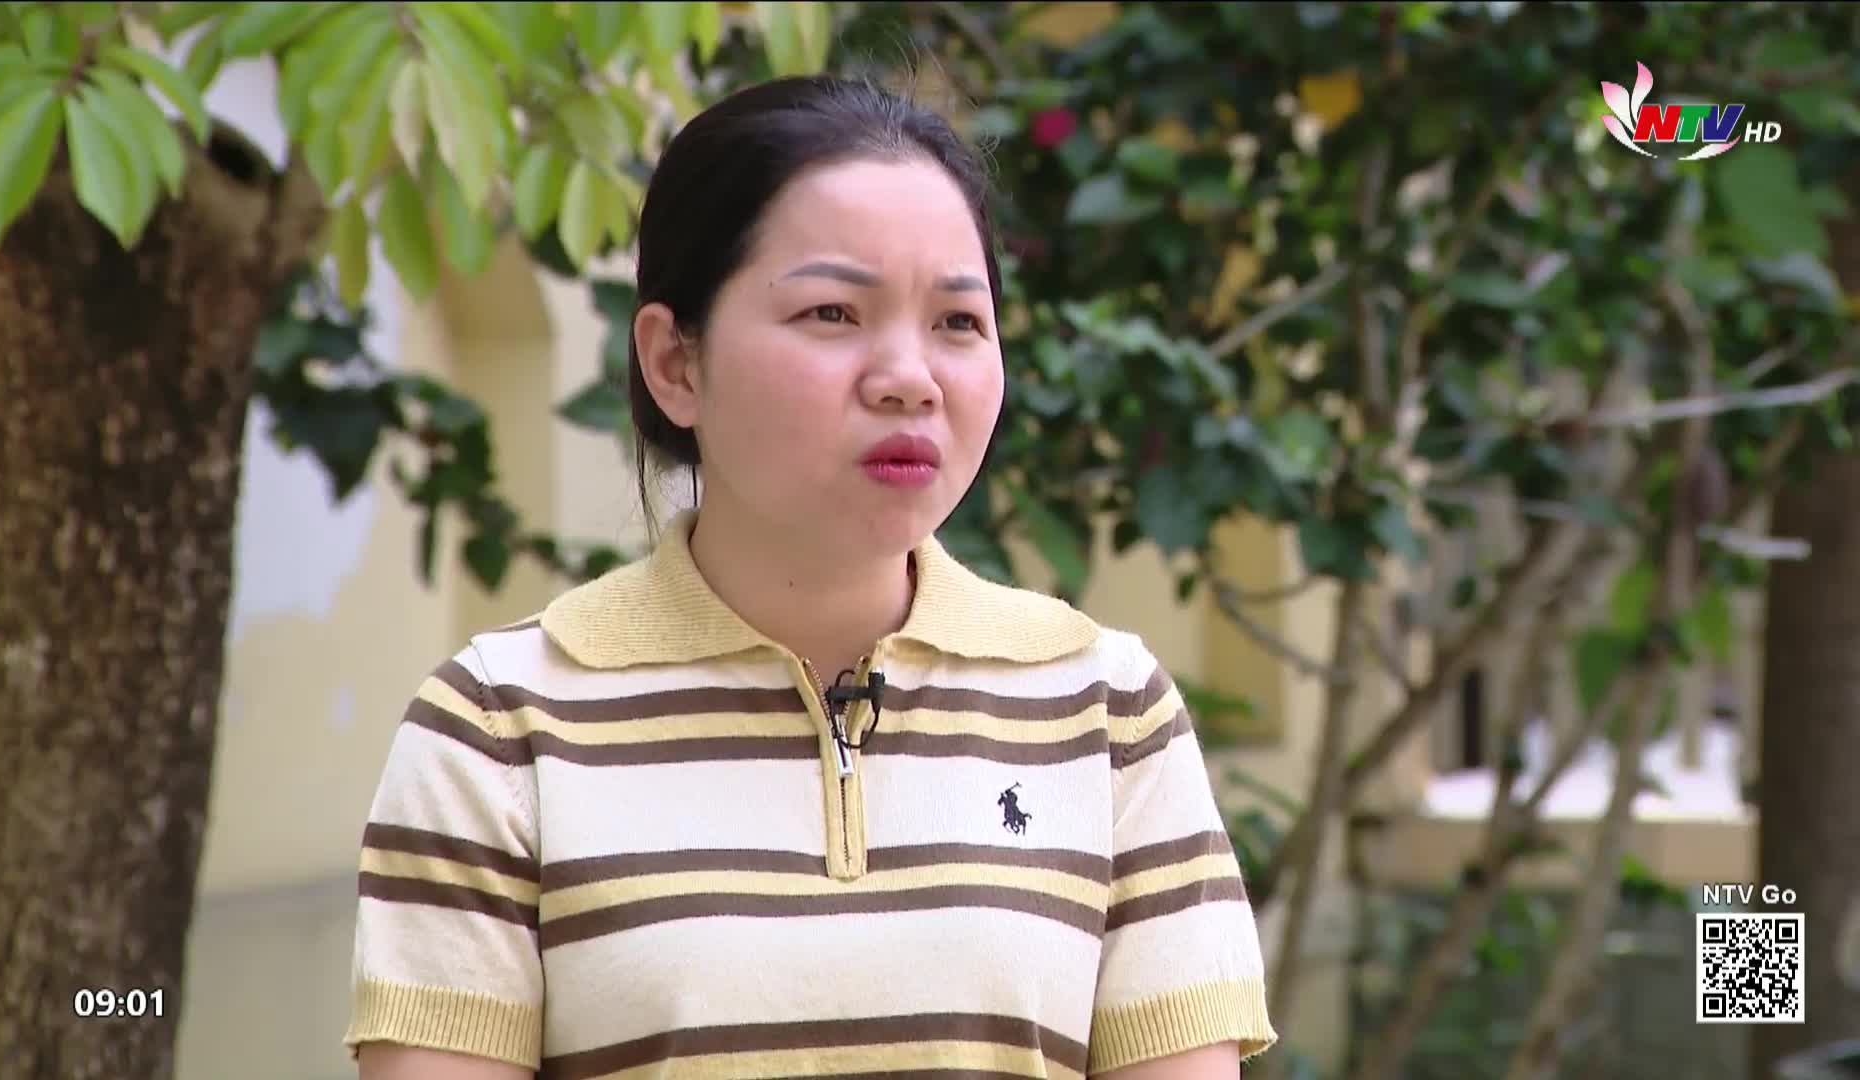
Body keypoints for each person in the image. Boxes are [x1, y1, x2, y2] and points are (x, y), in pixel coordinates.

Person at [345, 73, 1277, 1080]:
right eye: (833, 313)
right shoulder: (497, 731)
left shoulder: (1107, 716)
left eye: (957, 323)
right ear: (676, 364)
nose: (908, 376)